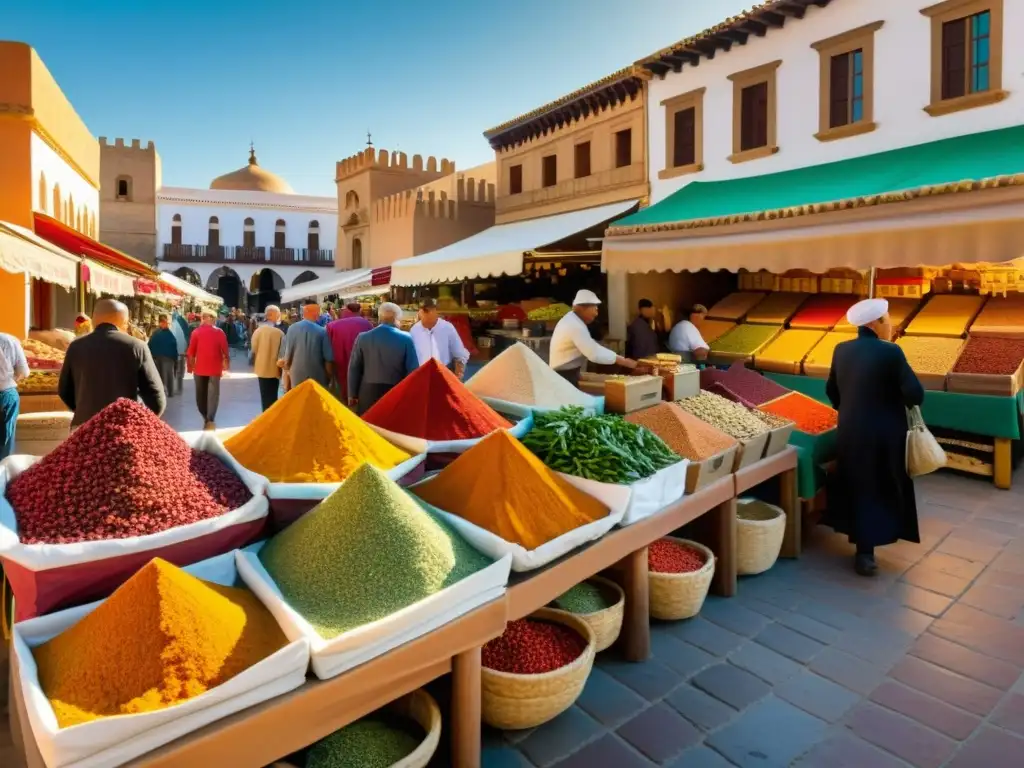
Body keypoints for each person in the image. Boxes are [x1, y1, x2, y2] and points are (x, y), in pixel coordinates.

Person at [825, 298, 925, 577]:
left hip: (851, 433)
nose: (891, 324)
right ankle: (874, 547)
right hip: (885, 434)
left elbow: (832, 390)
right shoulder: (891, 353)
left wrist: (851, 410)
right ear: (874, 323)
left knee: (858, 485)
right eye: (887, 319)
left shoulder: (841, 349)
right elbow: (915, 394)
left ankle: (864, 551)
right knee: (882, 485)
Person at [58, 299, 165, 428]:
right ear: (124, 322)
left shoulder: (76, 346)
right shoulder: (137, 347)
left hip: (84, 428)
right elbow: (156, 397)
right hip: (123, 428)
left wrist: (84, 411)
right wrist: (141, 422)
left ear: (93, 320)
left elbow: (64, 390)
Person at [548, 289, 637, 385]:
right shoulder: (574, 325)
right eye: (595, 309)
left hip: (569, 373)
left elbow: (591, 346)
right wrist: (622, 361)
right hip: (563, 376)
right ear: (583, 308)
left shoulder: (573, 320)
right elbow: (593, 353)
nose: (596, 314)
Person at [348, 302, 418, 415]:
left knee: (369, 427)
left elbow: (354, 368)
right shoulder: (406, 338)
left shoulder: (362, 338)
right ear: (396, 319)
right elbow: (413, 370)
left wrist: (352, 394)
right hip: (395, 392)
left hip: (367, 392)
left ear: (379, 318)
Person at [187, 309, 229, 430]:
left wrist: (191, 367)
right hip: (214, 368)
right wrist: (226, 363)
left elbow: (191, 351)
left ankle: (205, 416)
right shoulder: (219, 332)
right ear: (213, 319)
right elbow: (225, 350)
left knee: (200, 393)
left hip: (200, 368)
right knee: (213, 394)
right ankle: (210, 419)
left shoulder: (196, 332)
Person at [410, 298, 470, 378]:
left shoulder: (447, 328)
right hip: (422, 375)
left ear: (436, 311)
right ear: (419, 312)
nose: (428, 313)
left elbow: (460, 354)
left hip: (443, 374)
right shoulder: (414, 330)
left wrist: (457, 376)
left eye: (431, 310)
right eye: (425, 311)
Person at [280, 303, 334, 390]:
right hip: (317, 375)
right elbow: (328, 359)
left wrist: (287, 373)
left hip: (296, 374)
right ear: (317, 315)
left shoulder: (292, 328)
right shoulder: (322, 331)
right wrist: (329, 377)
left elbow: (287, 354)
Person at [326, 302, 373, 401]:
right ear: (359, 310)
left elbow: (328, 349)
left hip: (340, 364)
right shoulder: (366, 323)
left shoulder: (331, 326)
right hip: (362, 365)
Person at [250, 305, 286, 411]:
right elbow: (283, 353)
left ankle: (266, 418)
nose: (279, 316)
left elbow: (254, 348)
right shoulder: (280, 333)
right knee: (274, 396)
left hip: (261, 369)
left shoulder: (258, 331)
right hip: (275, 369)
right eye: (278, 314)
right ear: (273, 315)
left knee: (264, 396)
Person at [0, 332, 29, 458]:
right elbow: (23, 371)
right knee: (6, 439)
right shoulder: (10, 340)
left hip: (7, 393)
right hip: (7, 393)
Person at [148, 314, 179, 397]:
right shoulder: (169, 333)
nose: (167, 324)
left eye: (167, 322)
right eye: (165, 322)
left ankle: (166, 392)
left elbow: (149, 344)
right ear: (161, 322)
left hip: (164, 357)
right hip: (162, 357)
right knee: (166, 375)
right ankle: (166, 392)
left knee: (165, 375)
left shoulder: (156, 333)